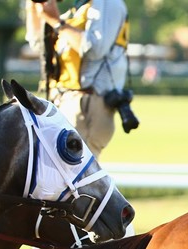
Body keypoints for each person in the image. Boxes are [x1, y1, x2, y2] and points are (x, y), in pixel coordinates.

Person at [25, 0, 131, 158]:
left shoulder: (108, 4)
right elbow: (39, 43)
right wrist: (34, 7)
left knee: (75, 176)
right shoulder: (79, 8)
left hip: (87, 105)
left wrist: (56, 22)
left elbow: (94, 48)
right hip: (65, 101)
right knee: (56, 175)